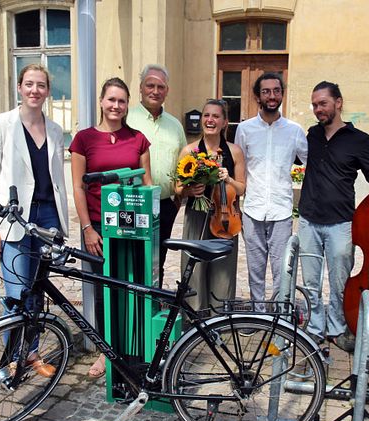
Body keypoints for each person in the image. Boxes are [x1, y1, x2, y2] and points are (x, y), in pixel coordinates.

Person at [0, 64, 70, 378]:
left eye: (41, 85)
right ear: (19, 87)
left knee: (37, 291)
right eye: (29, 84)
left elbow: (57, 179)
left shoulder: (55, 130)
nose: (35, 90)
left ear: (47, 90)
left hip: (47, 216)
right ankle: (9, 360)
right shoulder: (2, 124)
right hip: (15, 217)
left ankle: (31, 353)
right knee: (16, 294)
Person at [298, 81, 369, 352]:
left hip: (341, 223)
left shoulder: (360, 140)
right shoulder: (311, 135)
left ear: (338, 103)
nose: (318, 109)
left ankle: (337, 329)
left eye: (323, 103)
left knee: (340, 282)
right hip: (308, 219)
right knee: (310, 283)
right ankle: (315, 329)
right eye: (315, 104)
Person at [70, 77, 152, 378]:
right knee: (104, 292)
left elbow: (147, 184)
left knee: (133, 287)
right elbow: (79, 187)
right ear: (102, 102)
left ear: (127, 104)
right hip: (99, 228)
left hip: (132, 229)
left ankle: (136, 348)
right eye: (111, 99)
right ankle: (107, 354)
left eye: (121, 100)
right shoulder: (84, 139)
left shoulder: (138, 139)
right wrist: (88, 229)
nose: (116, 105)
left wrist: (149, 227)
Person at [234, 73, 307, 309]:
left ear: (282, 94)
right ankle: (258, 312)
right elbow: (239, 168)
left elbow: (313, 163)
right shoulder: (244, 130)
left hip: (281, 210)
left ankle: (280, 314)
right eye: (266, 91)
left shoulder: (295, 131)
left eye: (276, 91)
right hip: (253, 208)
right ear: (258, 96)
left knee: (281, 268)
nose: (272, 96)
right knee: (255, 268)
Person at [177, 99, 246, 314]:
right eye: (207, 115)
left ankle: (220, 316)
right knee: (194, 267)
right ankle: (195, 316)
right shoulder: (189, 151)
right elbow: (177, 189)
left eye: (216, 116)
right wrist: (190, 191)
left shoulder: (234, 151)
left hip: (225, 216)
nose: (210, 120)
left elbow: (242, 188)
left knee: (223, 269)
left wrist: (229, 180)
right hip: (197, 215)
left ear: (224, 122)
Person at [126, 64, 187, 286]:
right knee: (131, 261)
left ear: (167, 90)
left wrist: (177, 197)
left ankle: (153, 305)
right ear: (141, 88)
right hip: (133, 203)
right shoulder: (127, 119)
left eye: (160, 86)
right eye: (150, 85)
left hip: (165, 205)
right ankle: (134, 310)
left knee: (157, 261)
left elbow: (183, 162)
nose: (155, 91)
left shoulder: (175, 125)